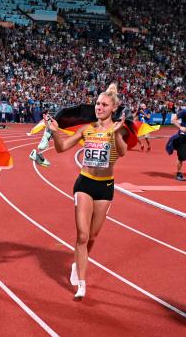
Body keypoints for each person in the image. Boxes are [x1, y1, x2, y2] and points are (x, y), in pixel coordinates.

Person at [47, 84, 127, 299]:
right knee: (82, 235)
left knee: (92, 236)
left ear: (113, 108)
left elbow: (122, 152)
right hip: (84, 184)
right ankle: (82, 283)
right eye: (97, 104)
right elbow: (61, 148)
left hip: (106, 186)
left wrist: (118, 134)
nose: (99, 107)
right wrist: (55, 133)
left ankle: (77, 263)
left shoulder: (117, 129)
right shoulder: (87, 129)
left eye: (104, 104)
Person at [171, 104, 186, 181]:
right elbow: (173, 120)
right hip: (183, 137)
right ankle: (178, 173)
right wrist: (180, 127)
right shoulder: (184, 111)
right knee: (181, 156)